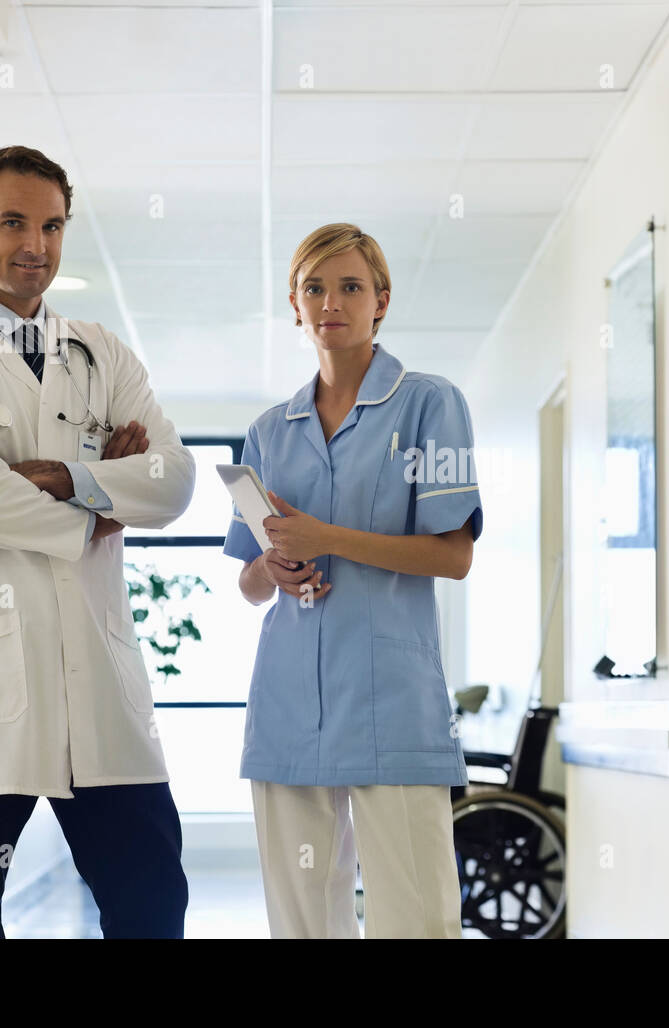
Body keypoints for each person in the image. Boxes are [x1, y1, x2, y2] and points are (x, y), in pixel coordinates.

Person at [0, 145, 196, 938]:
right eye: (12, 222)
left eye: (52, 225)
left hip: (97, 680)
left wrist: (67, 479)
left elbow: (175, 481)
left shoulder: (101, 352)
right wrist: (105, 508)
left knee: (152, 899)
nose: (36, 246)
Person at [223, 223, 482, 939]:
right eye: (314, 288)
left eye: (350, 286)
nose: (330, 301)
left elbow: (453, 554)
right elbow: (248, 585)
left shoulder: (432, 404)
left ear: (382, 301)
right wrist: (272, 565)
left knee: (418, 921)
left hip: (391, 705)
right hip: (287, 704)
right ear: (294, 304)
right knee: (302, 925)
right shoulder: (268, 431)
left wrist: (327, 538)